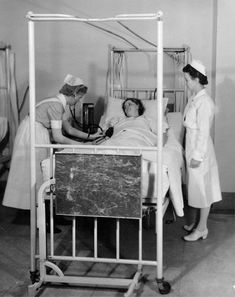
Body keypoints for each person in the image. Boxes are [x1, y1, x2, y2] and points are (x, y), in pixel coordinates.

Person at [2, 74, 101, 210]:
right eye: (79, 98)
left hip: (34, 130)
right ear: (73, 94)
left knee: (38, 171)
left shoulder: (57, 102)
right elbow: (59, 137)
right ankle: (37, 211)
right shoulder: (56, 105)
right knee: (35, 172)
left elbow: (70, 130)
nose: (78, 101)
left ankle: (38, 209)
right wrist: (84, 146)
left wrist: (92, 137)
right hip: (33, 132)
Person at [182, 60, 222, 241]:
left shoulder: (204, 102)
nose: (186, 83)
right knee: (197, 188)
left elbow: (203, 132)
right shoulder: (194, 99)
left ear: (197, 79)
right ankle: (197, 222)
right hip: (192, 148)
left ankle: (202, 228)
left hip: (201, 151)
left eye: (187, 79)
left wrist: (197, 156)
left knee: (203, 190)